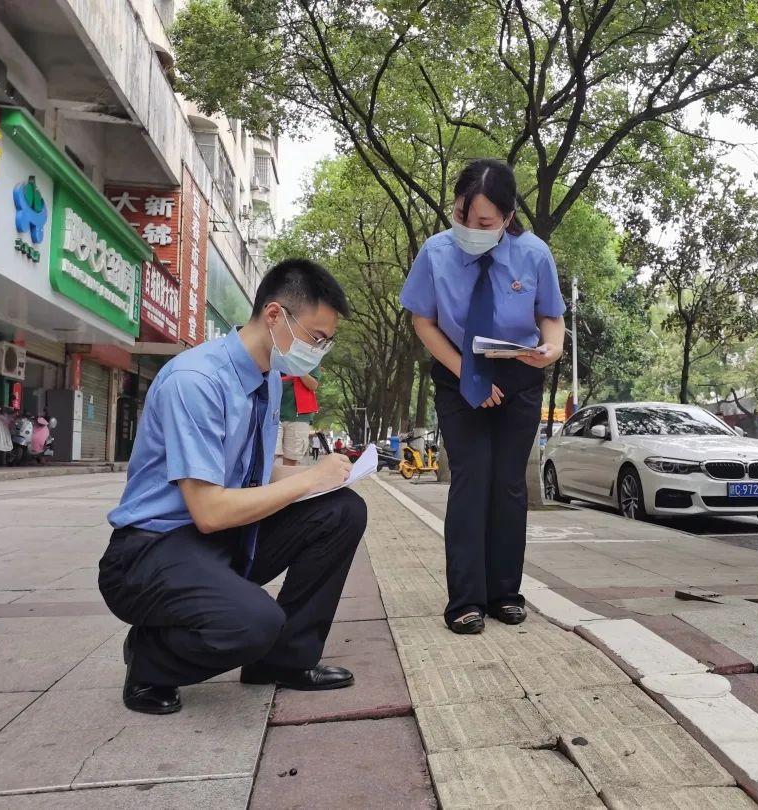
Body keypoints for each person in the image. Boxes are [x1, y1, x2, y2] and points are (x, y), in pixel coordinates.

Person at [99, 258, 366, 716]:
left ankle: (283, 661)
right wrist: (307, 478)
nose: (318, 350)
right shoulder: (196, 381)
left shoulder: (265, 382)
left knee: (341, 510)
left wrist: (324, 479)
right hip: (152, 551)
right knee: (254, 624)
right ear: (276, 315)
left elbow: (254, 479)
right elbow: (209, 510)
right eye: (316, 338)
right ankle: (151, 659)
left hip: (216, 541)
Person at [400, 159, 565, 634]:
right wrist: (466, 374)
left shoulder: (534, 255)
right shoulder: (435, 252)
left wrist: (551, 350)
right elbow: (423, 322)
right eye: (460, 216)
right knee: (472, 482)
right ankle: (465, 600)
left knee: (510, 485)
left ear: (509, 217)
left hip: (519, 376)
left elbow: (550, 317)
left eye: (485, 223)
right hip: (458, 373)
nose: (469, 229)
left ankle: (505, 593)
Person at [275, 366, 321, 466]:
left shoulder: (311, 359)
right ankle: (270, 481)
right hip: (272, 413)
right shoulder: (274, 354)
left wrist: (297, 366)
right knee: (270, 456)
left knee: (291, 458)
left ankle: (287, 481)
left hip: (299, 416)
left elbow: (313, 385)